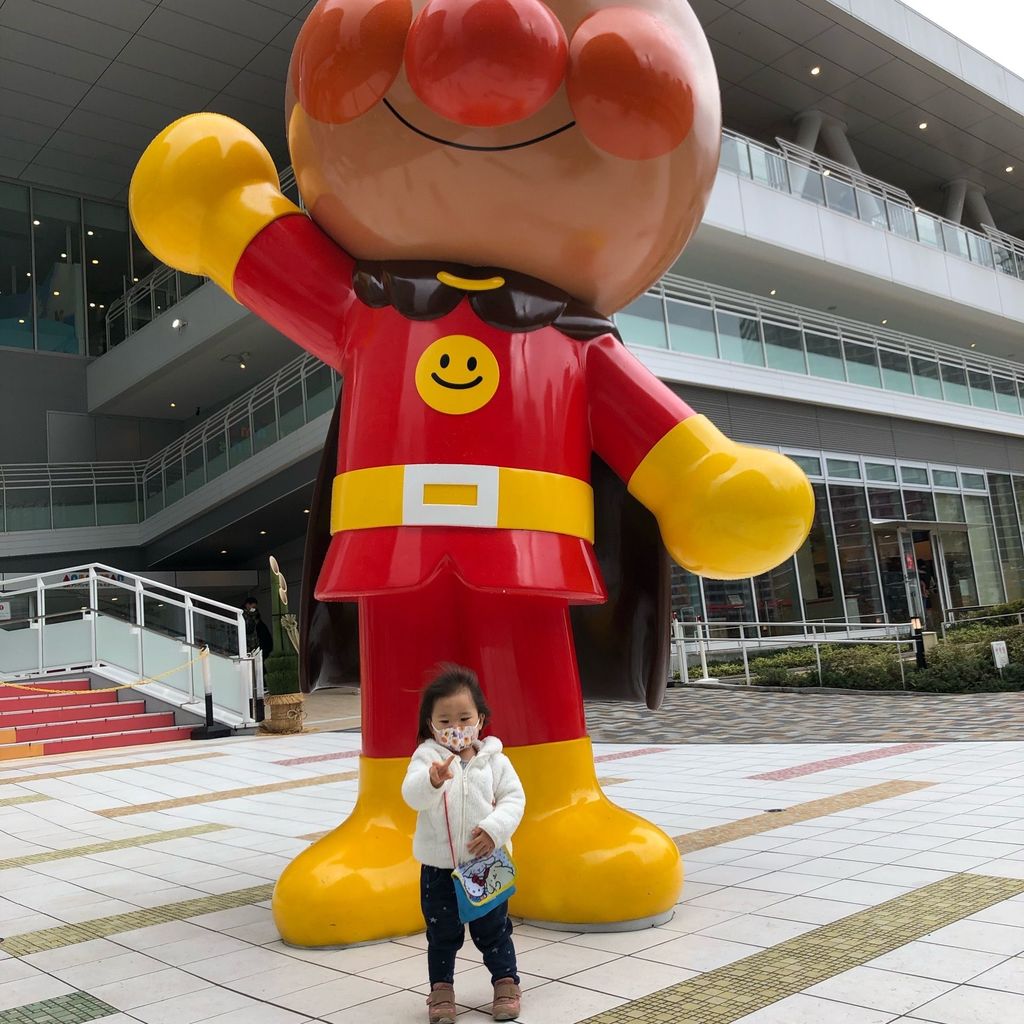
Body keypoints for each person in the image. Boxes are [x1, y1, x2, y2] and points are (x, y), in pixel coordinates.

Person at [402, 665, 526, 1024]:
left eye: (464, 717)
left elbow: (514, 800)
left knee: (495, 929)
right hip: (440, 870)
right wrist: (432, 781)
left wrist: (494, 829)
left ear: (480, 719)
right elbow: (411, 796)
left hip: (485, 867)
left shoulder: (495, 761)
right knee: (442, 934)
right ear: (430, 725)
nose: (455, 727)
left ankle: (506, 982)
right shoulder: (427, 759)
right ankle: (441, 991)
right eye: (444, 720)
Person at [242, 598, 273, 664]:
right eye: (253, 607)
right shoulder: (242, 616)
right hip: (249, 644)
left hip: (257, 644)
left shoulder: (256, 616)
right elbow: (249, 630)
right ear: (247, 605)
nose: (254, 609)